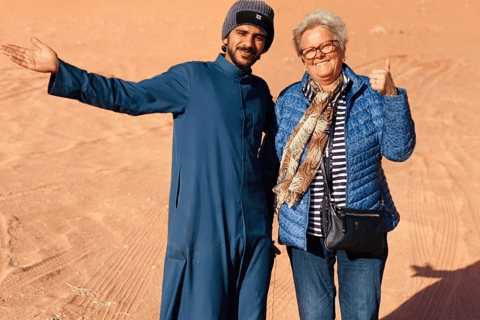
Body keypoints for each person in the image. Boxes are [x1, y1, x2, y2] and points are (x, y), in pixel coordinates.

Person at [0, 1, 278, 319]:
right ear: (226, 37)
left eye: (259, 36)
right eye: (242, 32)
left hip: (254, 231)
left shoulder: (259, 91)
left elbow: (281, 146)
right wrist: (63, 71)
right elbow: (132, 96)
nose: (249, 42)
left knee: (250, 314)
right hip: (205, 227)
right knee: (203, 310)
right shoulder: (193, 77)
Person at [260, 9, 416, 320]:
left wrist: (392, 96)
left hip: (361, 227)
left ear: (341, 46)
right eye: (309, 50)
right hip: (305, 235)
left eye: (326, 45)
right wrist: (262, 228)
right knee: (315, 315)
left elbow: (398, 151)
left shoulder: (369, 96)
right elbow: (269, 168)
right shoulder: (289, 100)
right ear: (303, 58)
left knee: (360, 314)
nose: (318, 55)